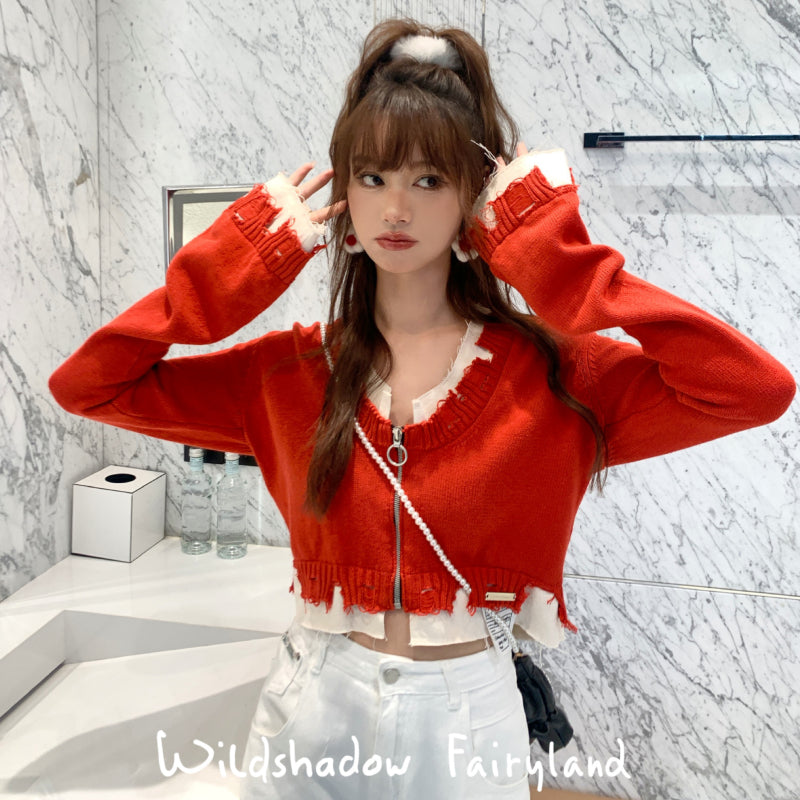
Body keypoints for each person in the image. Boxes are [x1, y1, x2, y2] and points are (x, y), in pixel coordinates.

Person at [49, 17, 794, 800]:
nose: (395, 208)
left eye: (430, 179)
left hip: (466, 714)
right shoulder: (286, 373)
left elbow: (754, 388)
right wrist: (236, 268)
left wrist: (560, 264)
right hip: (313, 701)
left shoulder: (556, 375)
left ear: (477, 198)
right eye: (372, 177)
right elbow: (89, 386)